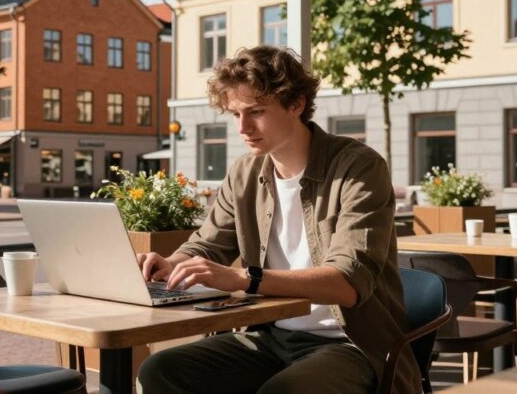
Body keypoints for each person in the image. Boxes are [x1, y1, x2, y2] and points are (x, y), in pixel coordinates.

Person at [135, 46, 418, 394]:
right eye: (235, 113)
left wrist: (244, 278)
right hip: (268, 336)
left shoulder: (358, 167)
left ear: (295, 104)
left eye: (256, 111)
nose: (243, 127)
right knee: (160, 371)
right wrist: (169, 263)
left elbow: (348, 282)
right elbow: (208, 245)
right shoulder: (244, 171)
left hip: (348, 343)